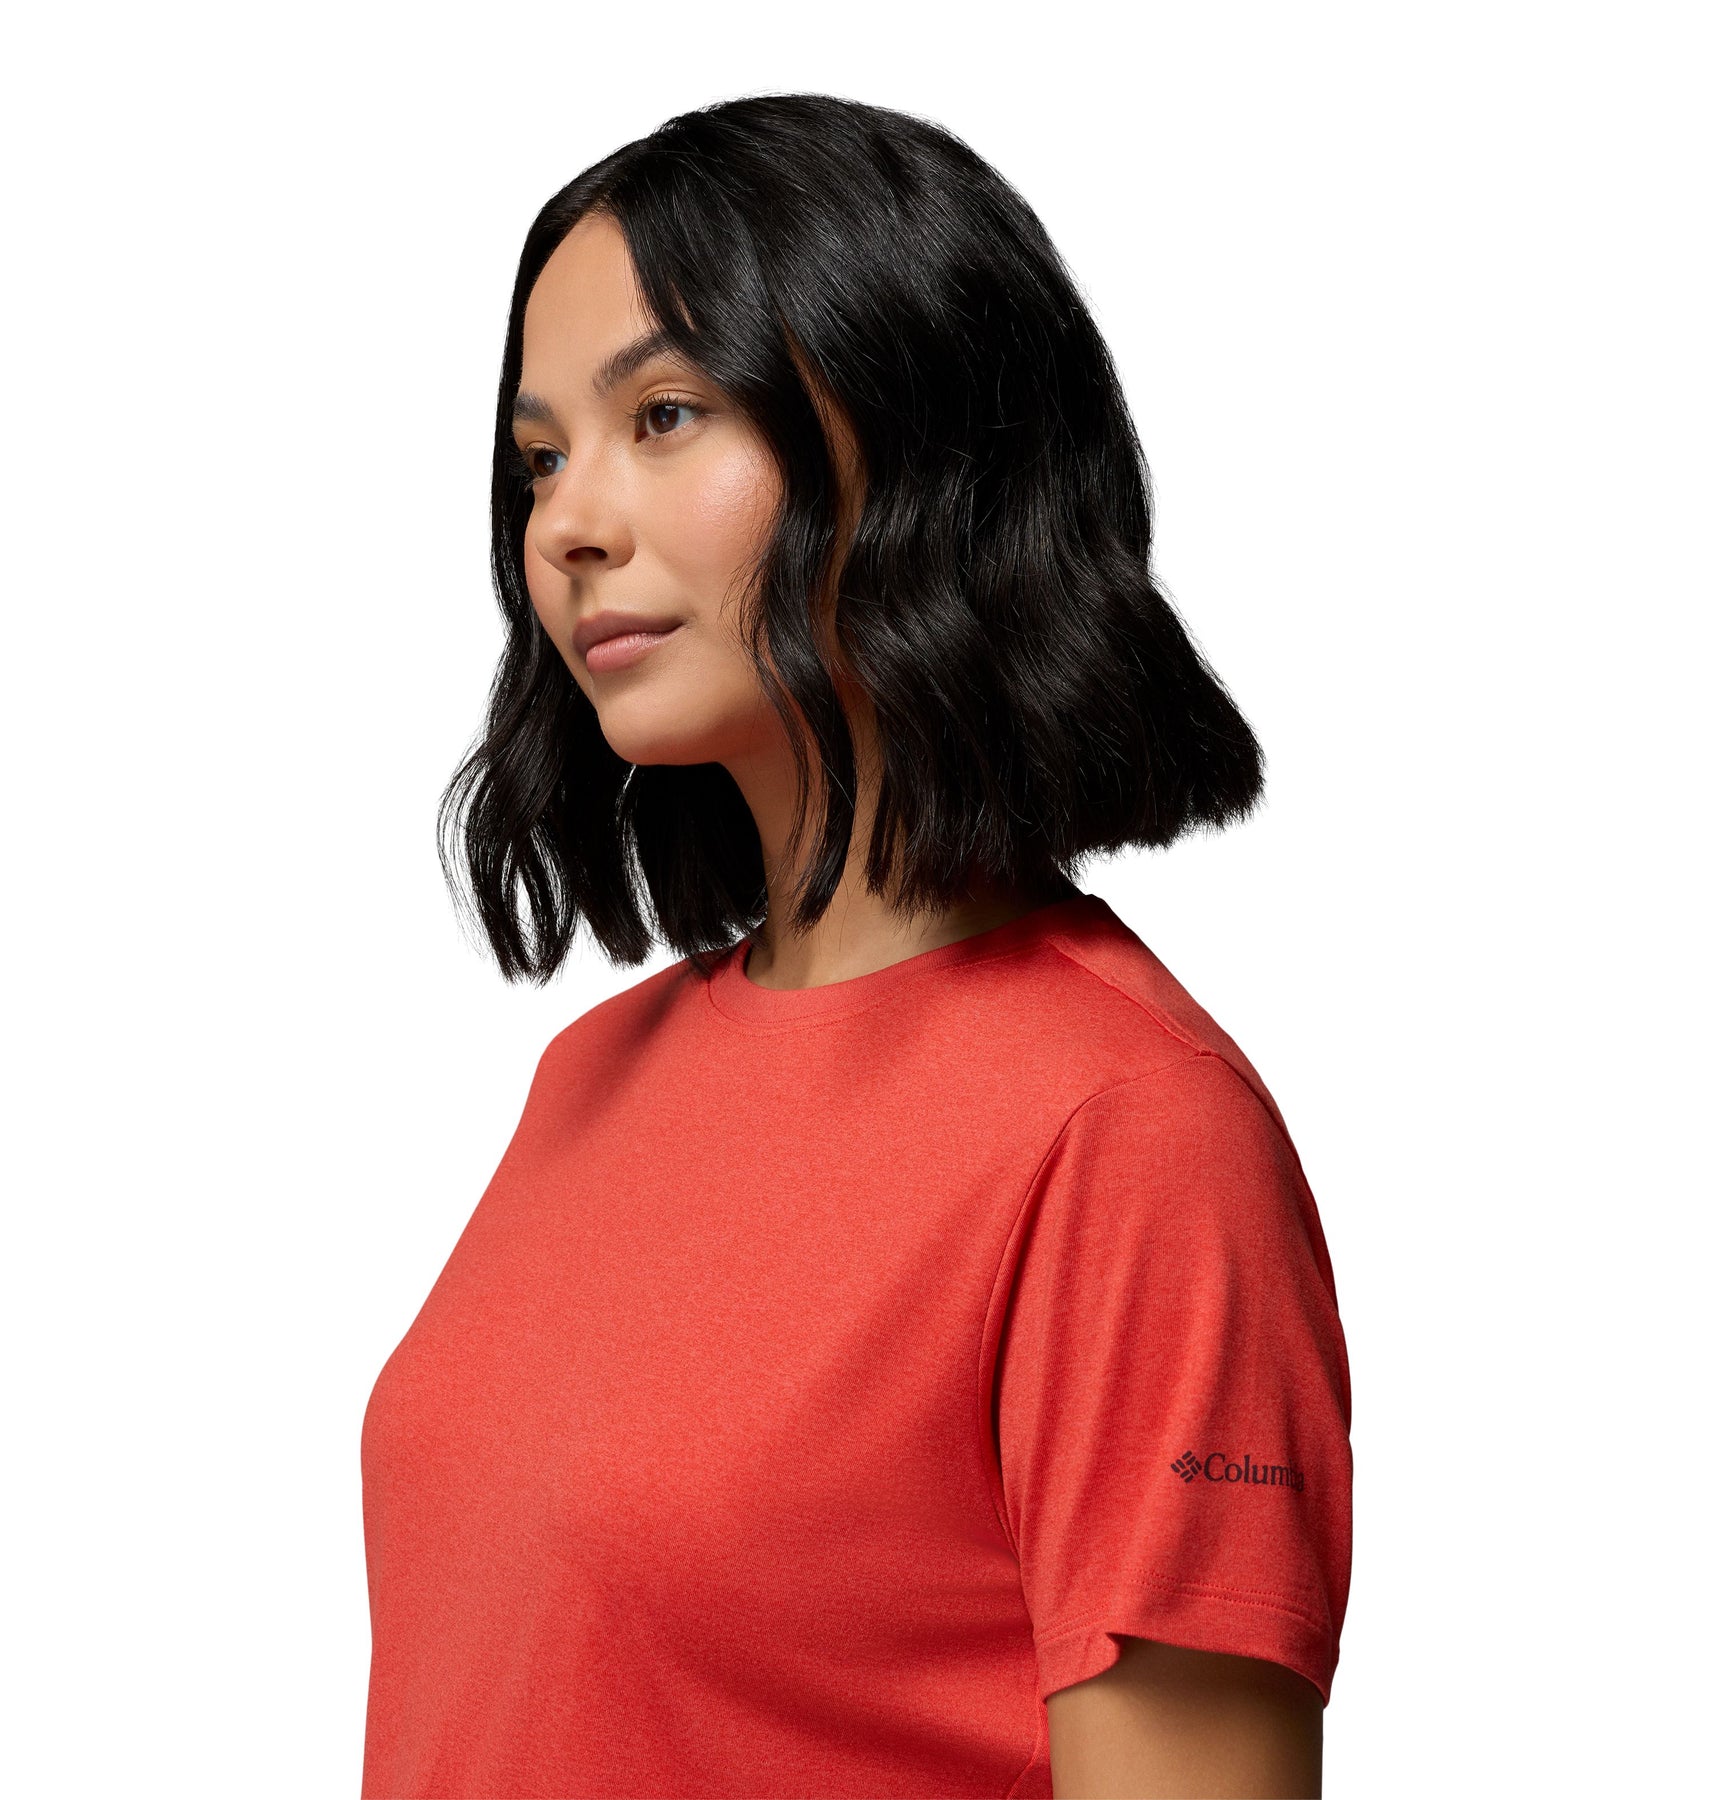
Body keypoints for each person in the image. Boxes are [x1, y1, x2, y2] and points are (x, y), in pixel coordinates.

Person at [359, 92, 1352, 1800]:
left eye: (663, 415)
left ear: (915, 435)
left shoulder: (1126, 1134)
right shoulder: (592, 1079)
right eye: (539, 458)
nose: (566, 522)